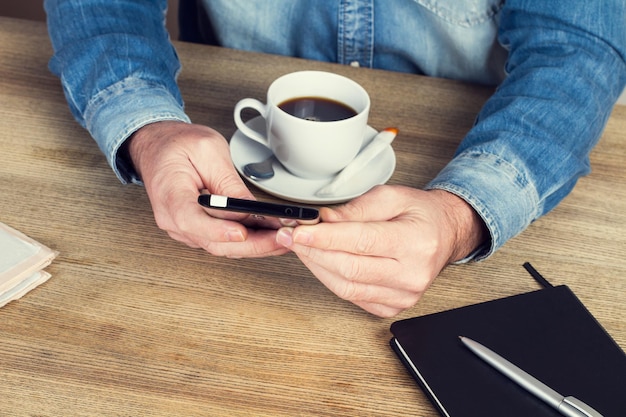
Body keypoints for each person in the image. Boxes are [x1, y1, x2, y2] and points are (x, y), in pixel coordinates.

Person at [44, 0, 625, 317]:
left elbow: (578, 46)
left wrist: (461, 215)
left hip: (466, 150)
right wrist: (149, 129)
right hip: (216, 142)